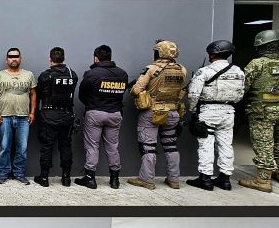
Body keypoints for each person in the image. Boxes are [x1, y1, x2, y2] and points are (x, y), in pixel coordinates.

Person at [239, 31, 279, 193]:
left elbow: (244, 87)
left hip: (263, 111)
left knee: (264, 144)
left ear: (259, 45)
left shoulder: (257, 63)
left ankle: (262, 180)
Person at [186, 40, 245, 191]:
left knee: (206, 144)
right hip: (228, 112)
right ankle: (225, 180)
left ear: (211, 54)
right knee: (226, 145)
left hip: (209, 111)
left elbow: (193, 94)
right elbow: (240, 95)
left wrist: (193, 110)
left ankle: (205, 179)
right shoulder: (238, 71)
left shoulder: (205, 71)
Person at [128, 40, 188, 190]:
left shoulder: (151, 69)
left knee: (148, 147)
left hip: (152, 113)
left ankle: (146, 180)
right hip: (173, 112)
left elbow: (136, 90)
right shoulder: (182, 69)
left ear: (160, 52)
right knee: (171, 146)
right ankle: (174, 180)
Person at [75, 45, 129, 189]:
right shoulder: (122, 74)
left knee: (92, 146)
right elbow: (121, 93)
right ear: (110, 57)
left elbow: (82, 95)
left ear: (96, 58)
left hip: (95, 113)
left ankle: (90, 178)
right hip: (115, 113)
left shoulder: (92, 74)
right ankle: (115, 179)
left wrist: (92, 104)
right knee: (112, 147)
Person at [0, 48, 38, 185]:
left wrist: (32, 112)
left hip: (23, 117)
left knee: (22, 148)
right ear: (7, 60)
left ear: (20, 59)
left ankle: (19, 173)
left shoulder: (29, 75)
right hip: (4, 116)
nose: (14, 59)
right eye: (11, 57)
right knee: (4, 147)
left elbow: (33, 94)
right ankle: (4, 173)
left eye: (16, 56)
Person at [33, 47, 78, 187]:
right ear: (63, 58)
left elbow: (39, 94)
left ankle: (44, 178)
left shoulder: (45, 75)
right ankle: (66, 178)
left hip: (49, 115)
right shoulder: (72, 74)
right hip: (67, 115)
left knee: (47, 146)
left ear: (50, 59)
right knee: (65, 146)